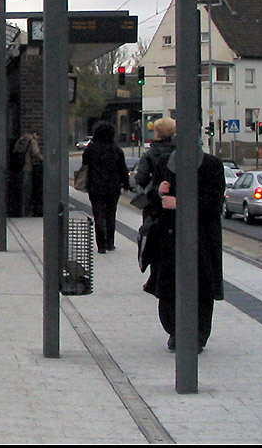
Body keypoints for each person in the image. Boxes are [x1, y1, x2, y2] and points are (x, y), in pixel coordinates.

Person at [139, 121, 226, 352]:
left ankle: (196, 335)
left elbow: (214, 202)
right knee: (168, 288)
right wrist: (159, 192)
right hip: (168, 239)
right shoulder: (165, 163)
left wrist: (180, 203)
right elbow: (152, 197)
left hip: (202, 240)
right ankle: (175, 331)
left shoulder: (212, 166)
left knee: (201, 288)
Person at [81, 121, 130, 253]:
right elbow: (123, 169)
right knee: (110, 213)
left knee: (98, 214)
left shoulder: (90, 150)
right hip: (113, 186)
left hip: (95, 186)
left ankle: (101, 244)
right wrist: (126, 184)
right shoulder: (116, 150)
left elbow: (84, 164)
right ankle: (110, 242)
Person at [12, 131, 44, 217]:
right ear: (35, 134)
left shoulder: (22, 140)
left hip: (19, 168)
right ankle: (26, 211)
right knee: (27, 191)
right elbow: (36, 153)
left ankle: (20, 210)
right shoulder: (32, 141)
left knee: (21, 190)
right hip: (27, 167)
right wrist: (43, 159)